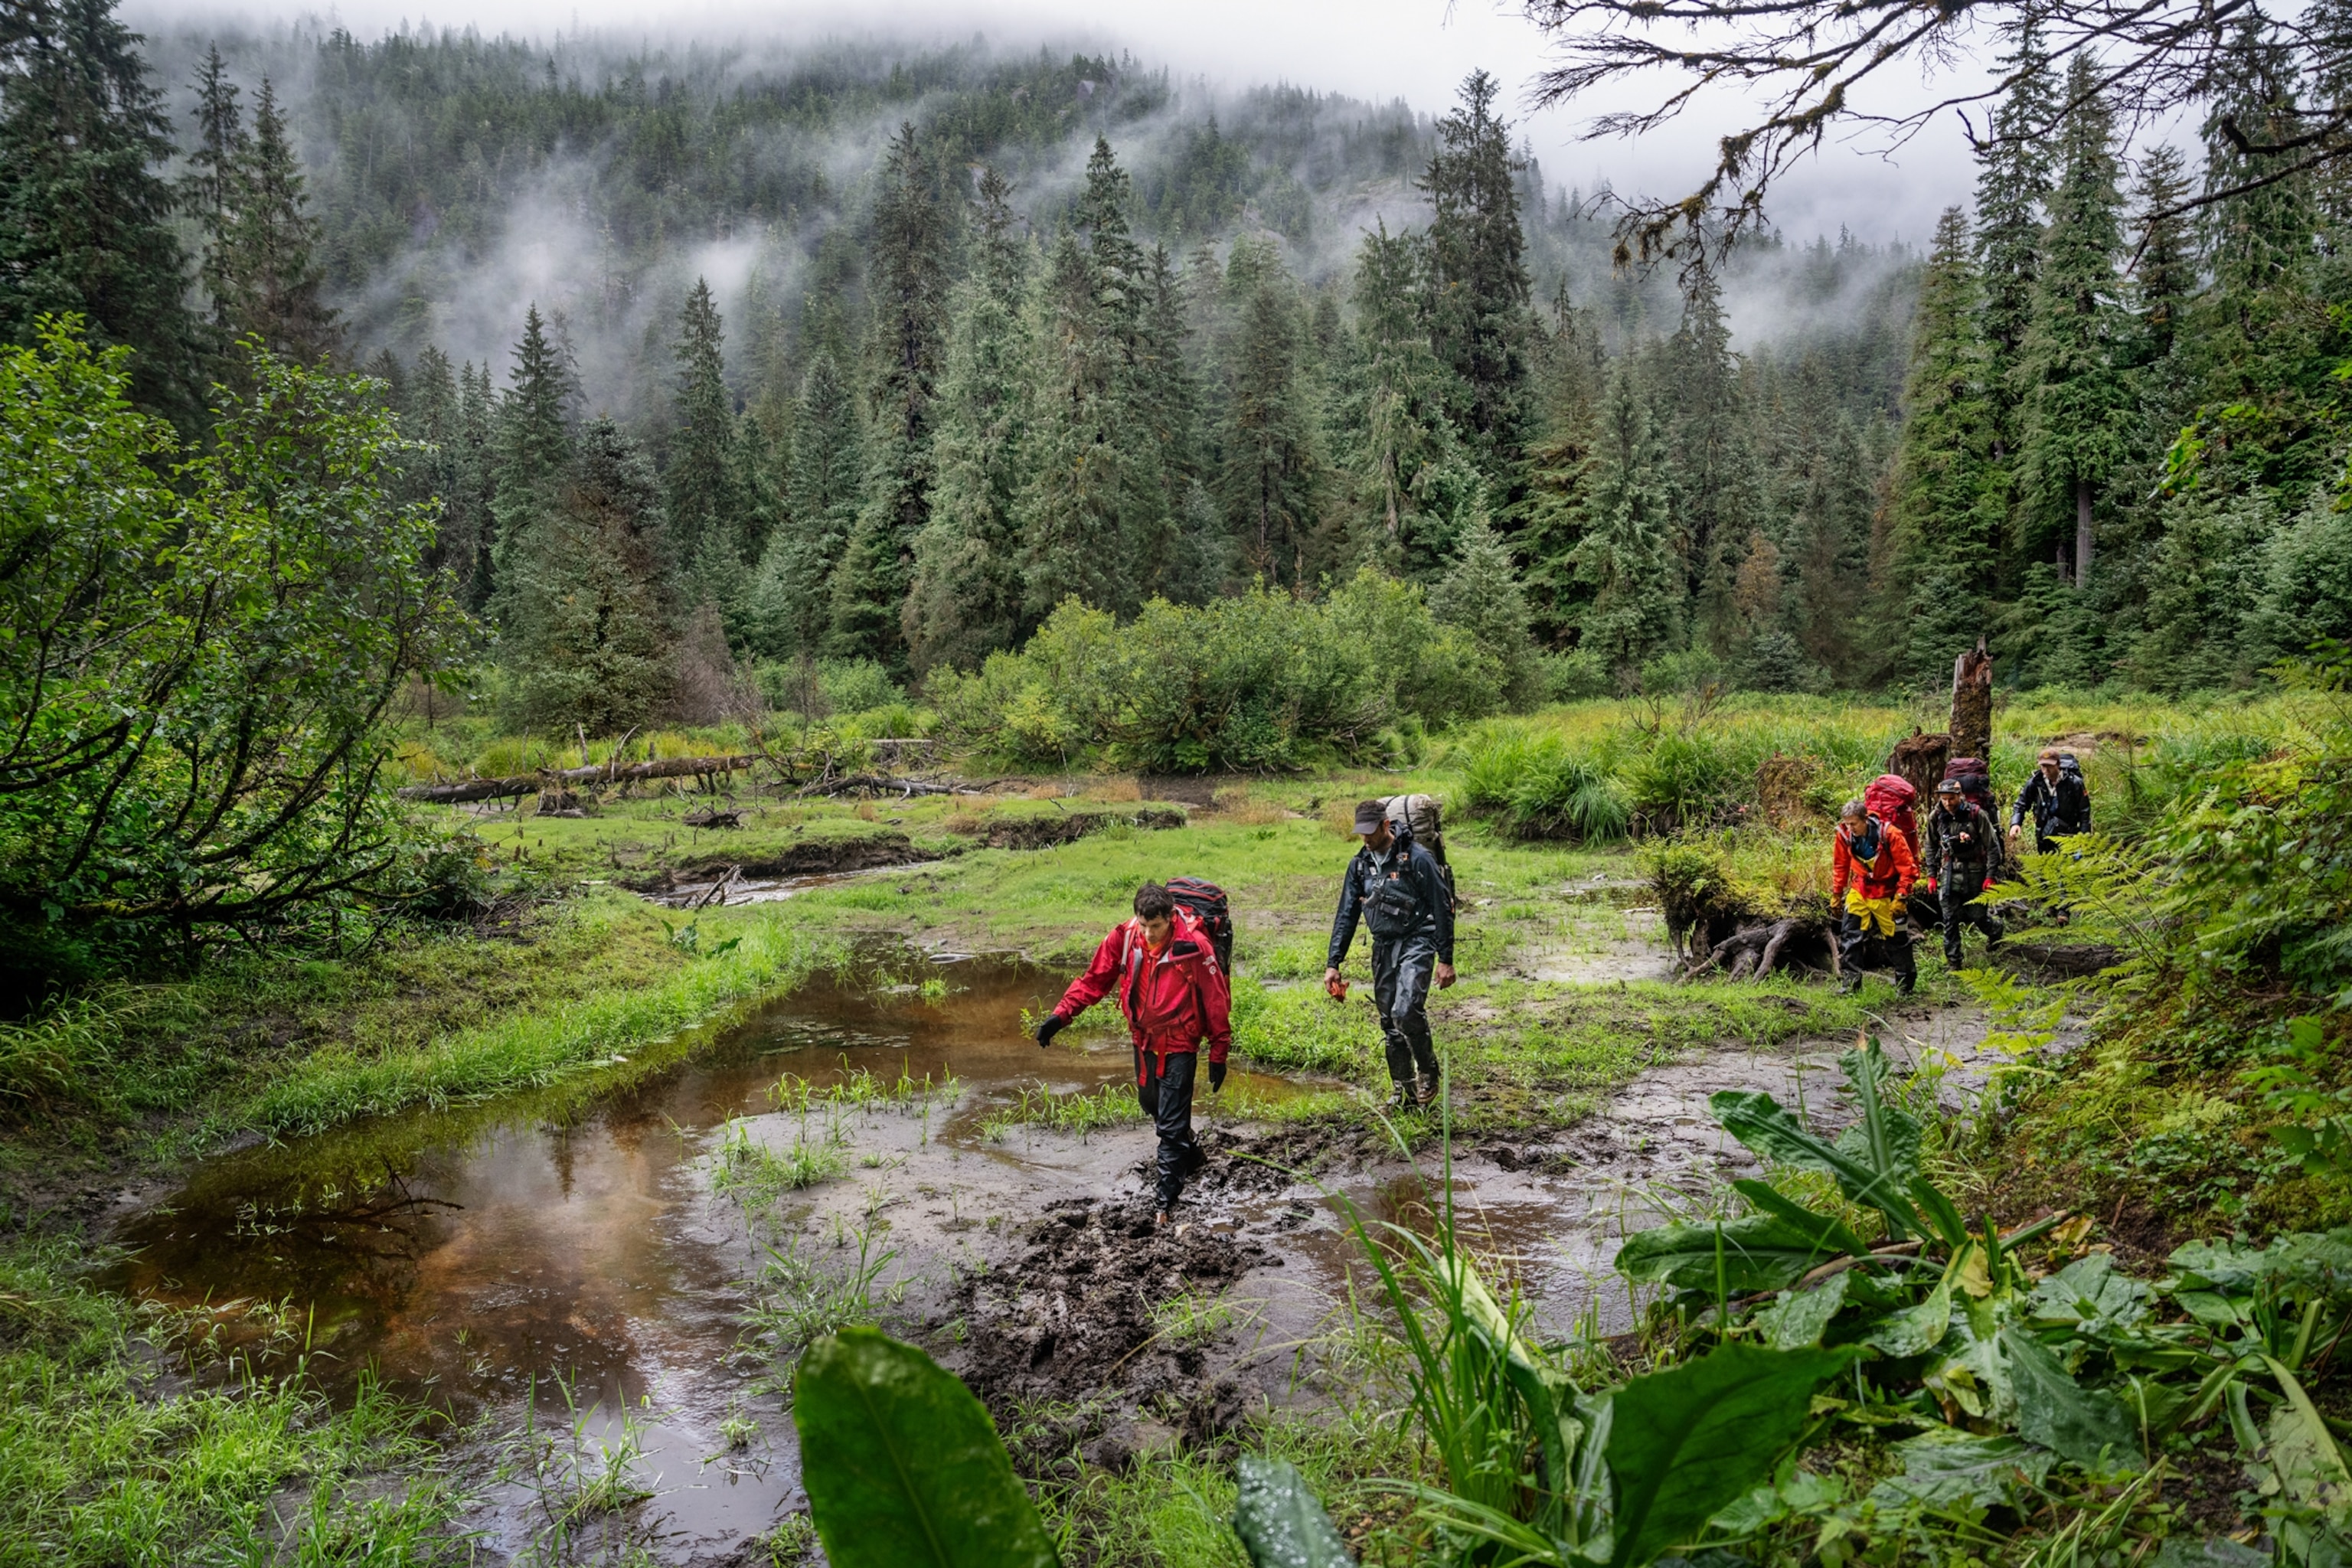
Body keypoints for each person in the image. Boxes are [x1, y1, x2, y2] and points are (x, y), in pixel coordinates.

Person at [1034, 882, 1232, 1226]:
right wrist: (1060, 1016)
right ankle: (1191, 1155)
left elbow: (1216, 1000)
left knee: (1169, 1128)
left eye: (1155, 926)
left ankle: (1164, 1206)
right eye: (1143, 924)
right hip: (1142, 1039)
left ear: (1170, 918)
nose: (1148, 933)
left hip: (1181, 1042)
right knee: (1152, 1106)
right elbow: (1094, 980)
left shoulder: (1195, 946)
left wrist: (1219, 1051)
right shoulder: (1125, 937)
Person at [1325, 799, 1457, 1109]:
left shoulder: (1417, 858)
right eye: (1362, 833)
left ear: (1386, 825)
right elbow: (1346, 914)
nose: (1366, 839)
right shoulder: (1360, 864)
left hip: (1417, 940)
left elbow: (1442, 907)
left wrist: (1446, 959)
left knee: (1406, 1010)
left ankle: (1427, 1070)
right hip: (1383, 946)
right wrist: (1334, 962)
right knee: (1389, 1022)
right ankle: (1404, 1091)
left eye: (1371, 832)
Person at [1832, 796, 1918, 993]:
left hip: (1887, 893)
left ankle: (1905, 986)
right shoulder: (1844, 835)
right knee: (1849, 936)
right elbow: (1840, 865)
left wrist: (1901, 897)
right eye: (1847, 824)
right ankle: (1850, 985)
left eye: (1854, 824)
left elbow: (1908, 869)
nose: (1850, 828)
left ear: (1865, 819)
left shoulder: (1890, 835)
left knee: (1896, 940)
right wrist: (1837, 894)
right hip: (1860, 890)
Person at [1921, 777, 2004, 969]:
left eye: (1951, 799)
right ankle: (1954, 962)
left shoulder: (1977, 814)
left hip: (1975, 871)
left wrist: (1991, 875)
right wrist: (1931, 875)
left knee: (1978, 916)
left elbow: (1992, 847)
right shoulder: (1936, 816)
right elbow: (1931, 845)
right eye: (1944, 799)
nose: (1948, 803)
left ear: (1960, 796)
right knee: (1949, 918)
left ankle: (1996, 930)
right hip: (1949, 871)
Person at [2010, 748, 2092, 853]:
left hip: (2068, 835)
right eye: (2043, 766)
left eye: (2050, 766)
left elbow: (2084, 813)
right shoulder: (2035, 783)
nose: (2046, 770)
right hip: (2043, 835)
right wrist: (2016, 823)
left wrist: (2084, 840)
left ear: (2058, 765)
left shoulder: (2074, 783)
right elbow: (2021, 804)